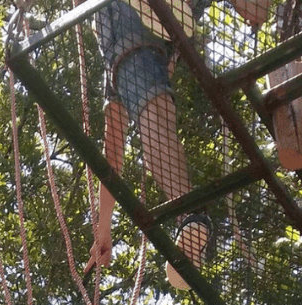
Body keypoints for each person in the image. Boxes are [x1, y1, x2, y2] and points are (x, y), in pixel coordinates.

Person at [87, 0, 269, 288]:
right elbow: (113, 143)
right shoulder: (121, 65)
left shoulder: (122, 38)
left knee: (154, 121)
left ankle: (190, 215)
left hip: (135, 24)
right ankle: (191, 217)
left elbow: (258, 12)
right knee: (151, 123)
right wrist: (104, 225)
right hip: (150, 35)